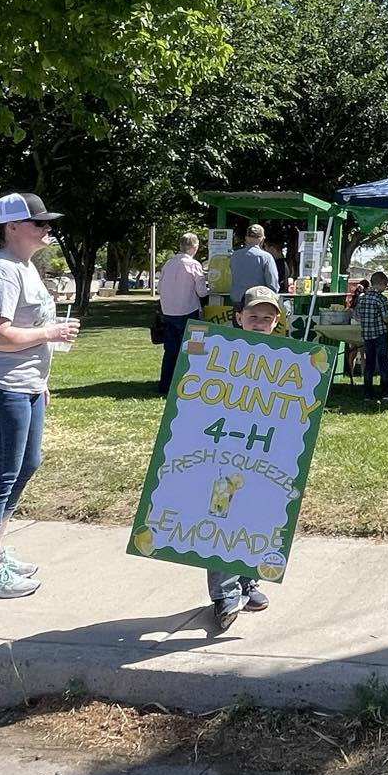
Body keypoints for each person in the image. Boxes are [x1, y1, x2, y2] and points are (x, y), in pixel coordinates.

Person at [0, 191, 81, 599]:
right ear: (12, 228)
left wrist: (39, 380)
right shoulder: (0, 273)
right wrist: (51, 333)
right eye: (39, 222)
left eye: (48, 222)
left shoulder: (24, 267)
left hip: (20, 387)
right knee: (0, 477)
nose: (48, 229)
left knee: (25, 466)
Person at [208, 285, 283, 631]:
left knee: (256, 515)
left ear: (277, 322)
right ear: (238, 318)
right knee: (222, 515)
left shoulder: (287, 359)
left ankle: (248, 581)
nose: (259, 323)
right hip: (226, 454)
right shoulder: (221, 354)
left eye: (267, 318)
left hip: (265, 456)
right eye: (253, 316)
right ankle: (224, 594)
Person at [156, 233, 209, 393]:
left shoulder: (168, 264)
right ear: (195, 246)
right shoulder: (194, 265)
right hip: (188, 311)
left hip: (169, 312)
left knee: (170, 350)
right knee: (192, 349)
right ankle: (189, 384)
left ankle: (165, 384)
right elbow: (202, 293)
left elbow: (159, 288)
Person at [355, 268, 388, 402]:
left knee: (369, 364)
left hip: (367, 335)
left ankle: (368, 393)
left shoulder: (362, 299)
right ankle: (387, 392)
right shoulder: (381, 298)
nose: (386, 287)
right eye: (385, 285)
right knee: (383, 363)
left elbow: (359, 316)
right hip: (380, 334)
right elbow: (386, 318)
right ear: (381, 283)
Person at [227, 223, 280, 310]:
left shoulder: (234, 256)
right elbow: (272, 284)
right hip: (258, 302)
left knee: (238, 323)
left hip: (237, 302)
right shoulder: (266, 257)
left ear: (246, 238)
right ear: (262, 239)